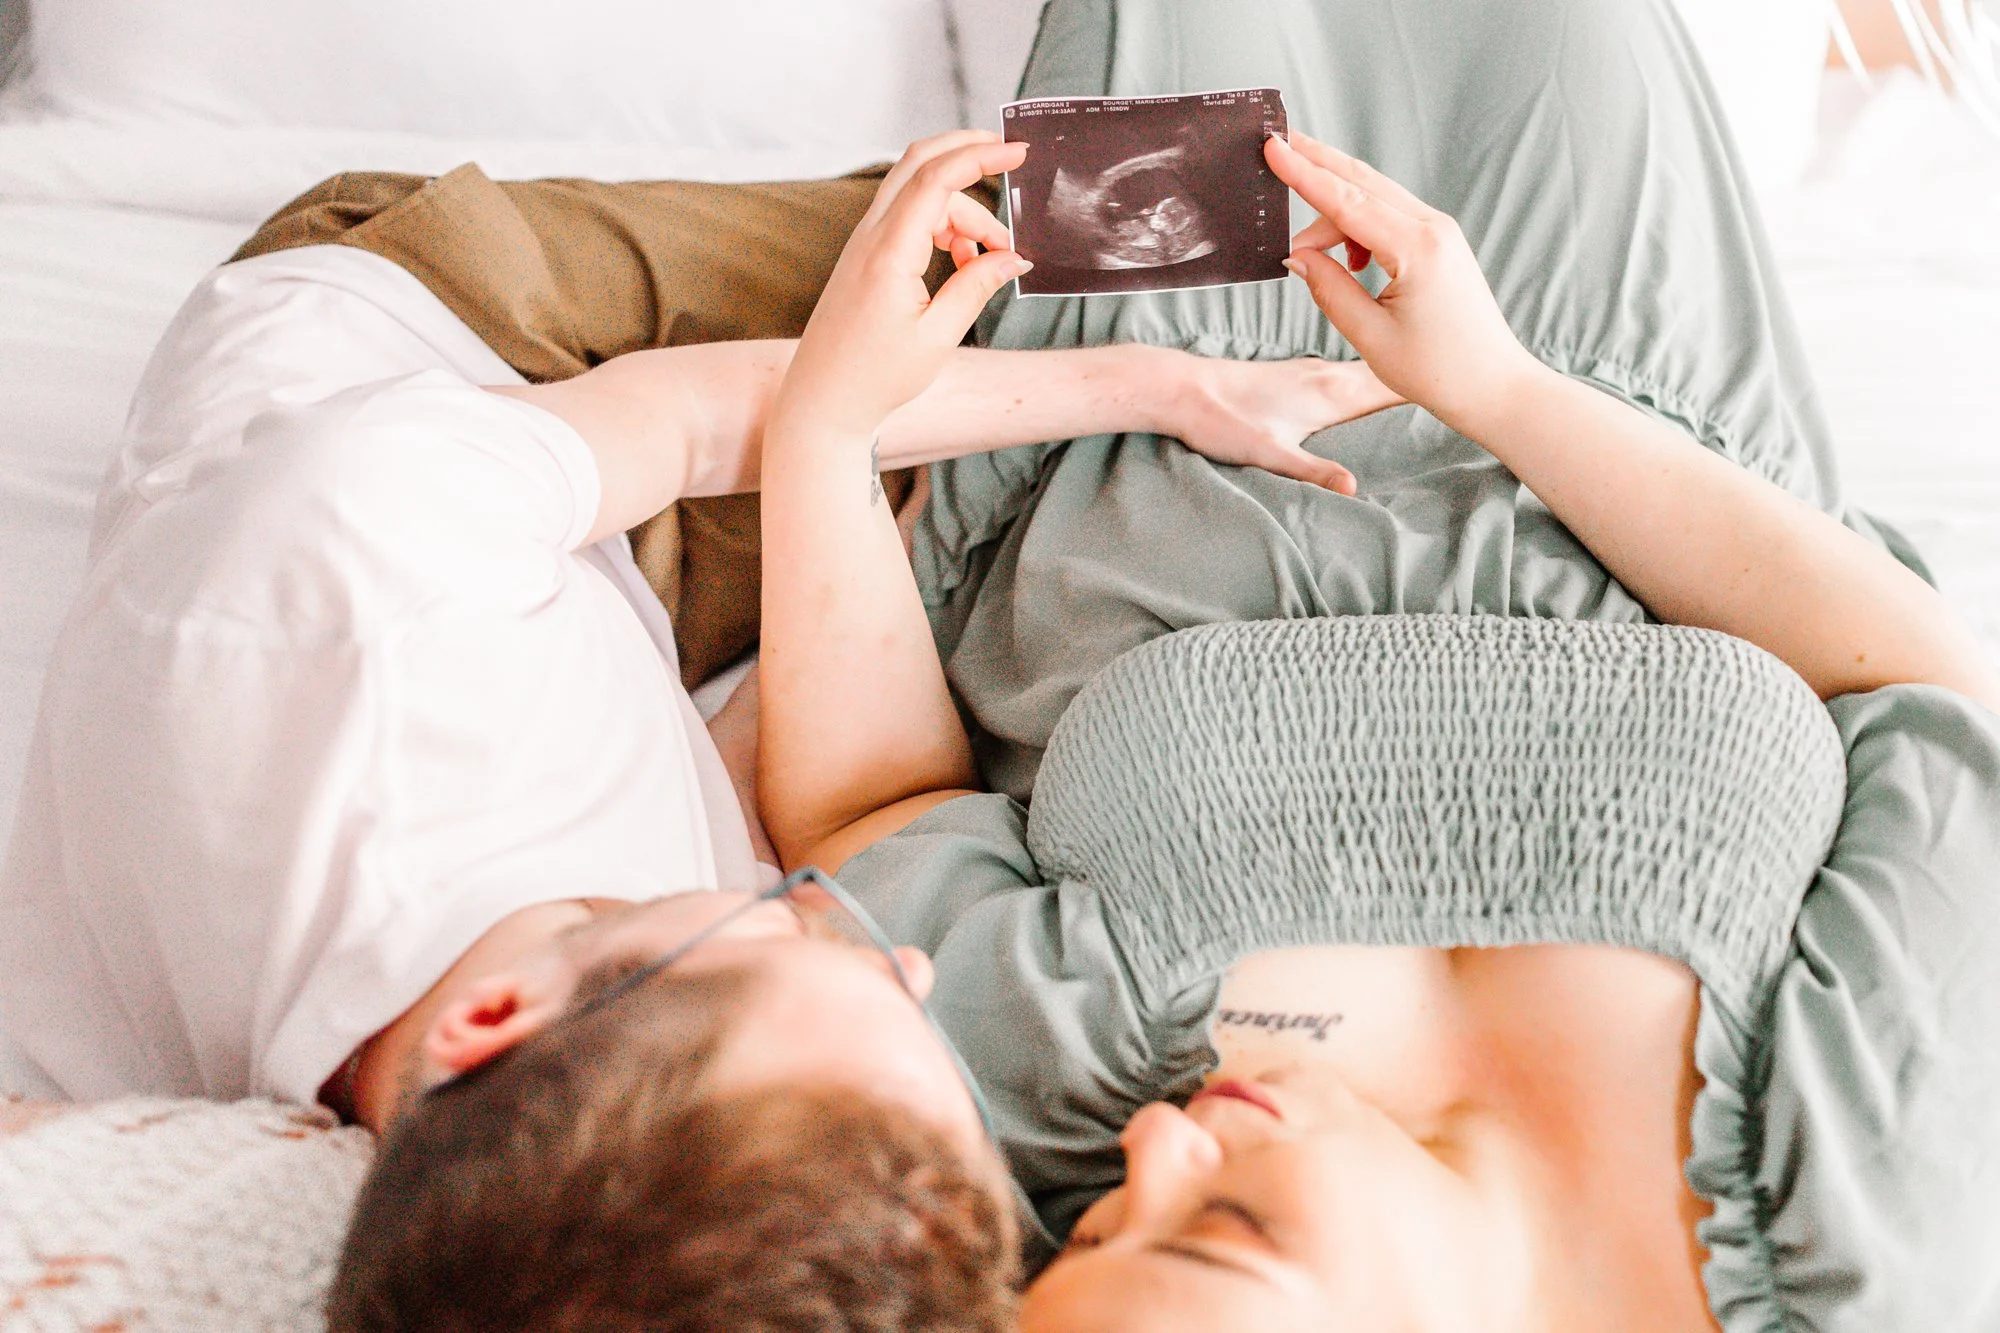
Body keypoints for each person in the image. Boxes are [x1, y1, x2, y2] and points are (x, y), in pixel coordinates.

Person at [0, 139, 1397, 1327]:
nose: (901, 957)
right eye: (907, 1001)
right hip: (603, 637)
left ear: (495, 1019)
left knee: (1099, 213)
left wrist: (1162, 386)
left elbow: (685, 424)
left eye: (798, 944)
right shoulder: (595, 1178)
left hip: (468, 348)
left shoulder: (356, 568)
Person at [755, 0, 2000, 1327]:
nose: (1156, 1153)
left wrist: (821, 440)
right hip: (1599, 361)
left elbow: (867, 823)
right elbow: (1921, 687)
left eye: (1105, 1229)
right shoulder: (1870, 1229)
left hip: (1127, 372)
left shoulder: (1066, 1136)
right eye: (1221, 1231)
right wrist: (1503, 387)